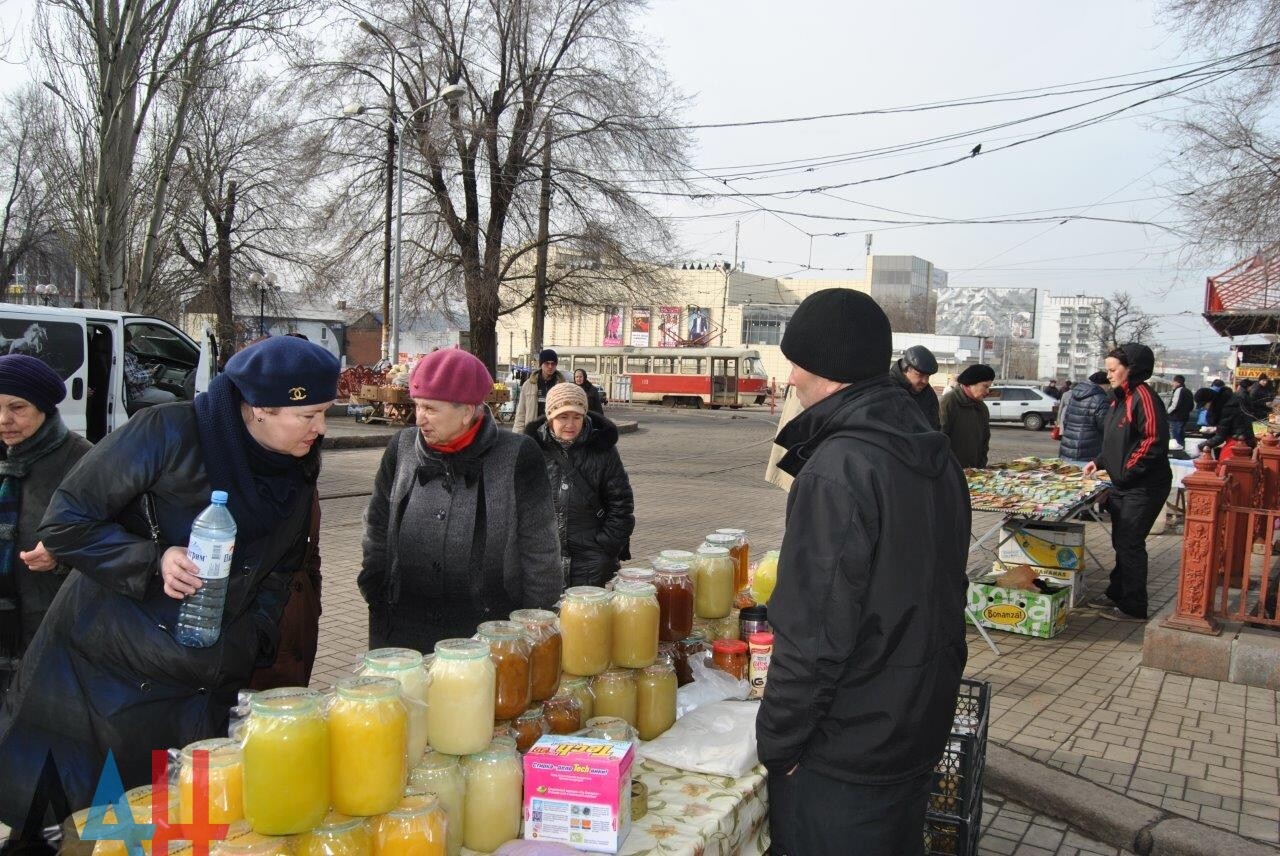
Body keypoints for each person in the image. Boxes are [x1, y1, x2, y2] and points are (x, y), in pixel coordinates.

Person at [0, 336, 336, 832]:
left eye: (325, 412)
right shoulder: (167, 432)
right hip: (106, 683)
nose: (321, 428)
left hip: (205, 688)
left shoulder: (297, 462)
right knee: (98, 831)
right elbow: (66, 523)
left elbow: (283, 568)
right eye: (308, 415)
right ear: (259, 408)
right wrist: (153, 560)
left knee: (185, 831)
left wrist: (255, 638)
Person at [758, 288, 968, 855]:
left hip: (846, 746)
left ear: (823, 367)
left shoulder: (839, 469)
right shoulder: (933, 452)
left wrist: (779, 743)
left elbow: (815, 633)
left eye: (796, 361)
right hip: (914, 721)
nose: (792, 377)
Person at [360, 348, 562, 654]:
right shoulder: (401, 448)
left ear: (467, 411)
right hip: (402, 628)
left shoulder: (519, 455)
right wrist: (375, 586)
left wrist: (534, 630)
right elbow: (376, 523)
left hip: (486, 634)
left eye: (430, 408)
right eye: (417, 406)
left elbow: (540, 549)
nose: (420, 418)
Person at [0, 356, 93, 683]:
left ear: (42, 407)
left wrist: (61, 555)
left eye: (17, 407)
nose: (3, 420)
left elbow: (117, 540)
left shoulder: (82, 460)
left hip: (51, 624)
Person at [1084, 344, 1171, 623]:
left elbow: (1152, 442)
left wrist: (1124, 473)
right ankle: (1116, 592)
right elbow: (1117, 440)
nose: (1108, 375)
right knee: (1121, 540)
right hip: (1125, 483)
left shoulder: (1143, 397)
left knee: (1130, 542)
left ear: (1130, 369)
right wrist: (1099, 461)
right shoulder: (1119, 397)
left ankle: (1133, 606)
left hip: (1144, 486)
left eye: (1113, 369)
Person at [525, 384, 634, 586]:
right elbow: (522, 505)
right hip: (546, 562)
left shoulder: (603, 451)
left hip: (593, 561)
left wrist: (605, 545)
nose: (570, 424)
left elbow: (621, 503)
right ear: (550, 418)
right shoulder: (533, 451)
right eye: (562, 417)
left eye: (577, 416)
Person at [940, 364, 994, 468]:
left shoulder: (982, 408)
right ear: (970, 384)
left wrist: (980, 467)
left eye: (989, 387)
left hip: (974, 472)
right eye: (985, 386)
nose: (987, 392)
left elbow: (985, 441)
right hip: (951, 472)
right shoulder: (948, 402)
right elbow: (940, 439)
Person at [1057, 370, 1110, 467]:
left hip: (1067, 450)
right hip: (1088, 453)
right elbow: (1106, 428)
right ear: (1104, 385)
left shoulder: (1074, 395)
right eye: (1108, 385)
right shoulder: (1101, 399)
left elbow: (1066, 420)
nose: (1109, 388)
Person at [1197, 384, 1257, 460]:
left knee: (1224, 463)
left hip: (1239, 443)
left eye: (1203, 406)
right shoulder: (1228, 401)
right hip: (1244, 438)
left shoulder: (1227, 408)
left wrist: (1200, 446)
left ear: (1209, 402)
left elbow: (1220, 436)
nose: (1204, 409)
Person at [123, 327, 178, 408]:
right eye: (129, 341)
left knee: (156, 388)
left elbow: (133, 370)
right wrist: (150, 372)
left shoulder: (126, 354)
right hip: (136, 394)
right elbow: (133, 379)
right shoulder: (125, 356)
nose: (131, 344)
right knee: (171, 397)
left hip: (138, 389)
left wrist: (144, 368)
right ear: (125, 341)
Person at [513, 348, 564, 433]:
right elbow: (521, 412)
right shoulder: (529, 384)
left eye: (553, 364)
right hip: (533, 430)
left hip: (554, 432)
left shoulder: (562, 385)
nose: (550, 366)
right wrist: (518, 434)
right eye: (547, 363)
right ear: (541, 364)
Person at [890, 345, 941, 429]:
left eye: (928, 376)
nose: (925, 381)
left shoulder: (928, 394)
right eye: (920, 375)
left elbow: (935, 426)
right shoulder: (886, 391)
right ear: (906, 369)